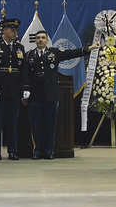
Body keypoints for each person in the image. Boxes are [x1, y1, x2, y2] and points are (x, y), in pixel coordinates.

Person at [22, 31, 98, 160]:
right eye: (38, 38)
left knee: (50, 125)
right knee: (36, 125)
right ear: (35, 41)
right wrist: (25, 90)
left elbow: (70, 54)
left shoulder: (54, 53)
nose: (40, 40)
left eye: (43, 38)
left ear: (47, 40)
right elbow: (25, 74)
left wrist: (87, 49)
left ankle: (49, 151)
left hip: (50, 95)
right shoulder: (29, 55)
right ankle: (38, 151)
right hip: (34, 96)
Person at [0, 18, 25, 161]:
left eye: (16, 30)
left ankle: (12, 150)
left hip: (14, 89)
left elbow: (23, 69)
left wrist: (25, 87)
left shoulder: (19, 48)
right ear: (5, 30)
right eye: (12, 29)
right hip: (0, 89)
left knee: (13, 121)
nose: (14, 32)